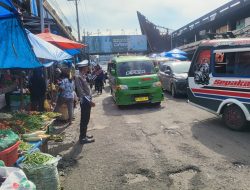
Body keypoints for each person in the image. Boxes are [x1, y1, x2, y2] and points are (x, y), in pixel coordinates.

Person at [75, 60, 95, 144]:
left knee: (86, 119)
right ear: (83, 68)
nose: (88, 68)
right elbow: (81, 92)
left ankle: (84, 135)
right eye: (87, 67)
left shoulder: (82, 75)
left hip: (87, 100)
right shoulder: (78, 77)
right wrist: (89, 101)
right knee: (84, 119)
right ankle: (82, 138)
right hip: (85, 101)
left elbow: (87, 87)